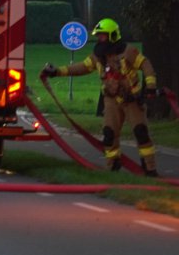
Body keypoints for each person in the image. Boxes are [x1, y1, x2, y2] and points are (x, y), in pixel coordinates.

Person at [40, 17, 159, 176]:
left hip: (132, 100)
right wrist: (57, 72)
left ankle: (150, 168)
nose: (100, 39)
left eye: (103, 36)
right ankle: (112, 167)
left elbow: (145, 65)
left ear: (113, 36)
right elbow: (82, 67)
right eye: (99, 36)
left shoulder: (128, 51)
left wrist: (150, 86)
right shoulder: (98, 56)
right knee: (109, 134)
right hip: (111, 100)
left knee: (141, 132)